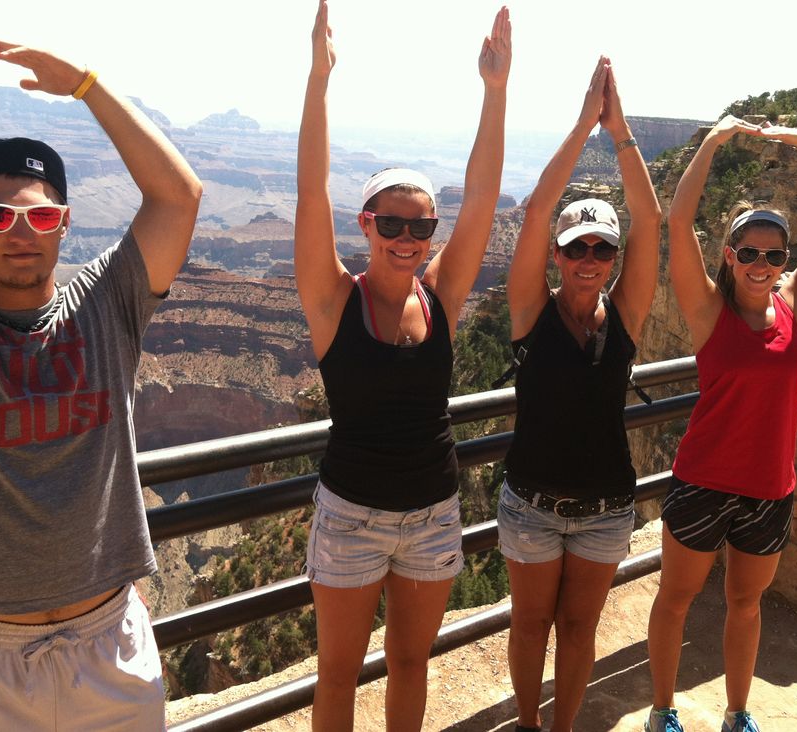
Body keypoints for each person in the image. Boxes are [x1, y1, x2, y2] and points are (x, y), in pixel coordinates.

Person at [0, 35, 202, 729]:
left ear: (66, 226)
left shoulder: (107, 307)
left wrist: (87, 84)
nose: (22, 232)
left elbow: (178, 196)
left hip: (110, 648)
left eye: (42, 214)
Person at [294, 2, 510, 729]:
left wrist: (495, 90)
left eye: (421, 227)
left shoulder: (443, 294)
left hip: (432, 511)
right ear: (367, 225)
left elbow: (481, 197)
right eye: (392, 224)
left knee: (413, 664)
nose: (408, 238)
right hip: (350, 515)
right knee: (338, 675)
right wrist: (318, 81)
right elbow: (309, 191)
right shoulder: (332, 301)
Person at [644, 115, 797, 732]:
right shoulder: (708, 312)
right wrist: (711, 141)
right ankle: (662, 709)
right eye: (748, 251)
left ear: (784, 260)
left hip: (769, 490)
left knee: (745, 605)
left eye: (773, 254)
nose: (761, 262)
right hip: (702, 480)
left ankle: (737, 713)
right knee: (675, 601)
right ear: (729, 255)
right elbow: (677, 224)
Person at [498, 57, 661, 732]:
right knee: (531, 622)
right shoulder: (530, 313)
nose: (589, 257)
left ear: (613, 259)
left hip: (603, 510)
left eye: (601, 248)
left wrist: (621, 133)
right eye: (576, 247)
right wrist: (583, 126)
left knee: (579, 627)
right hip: (533, 505)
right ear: (557, 255)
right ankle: (529, 728)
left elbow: (652, 223)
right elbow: (537, 208)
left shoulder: (623, 318)